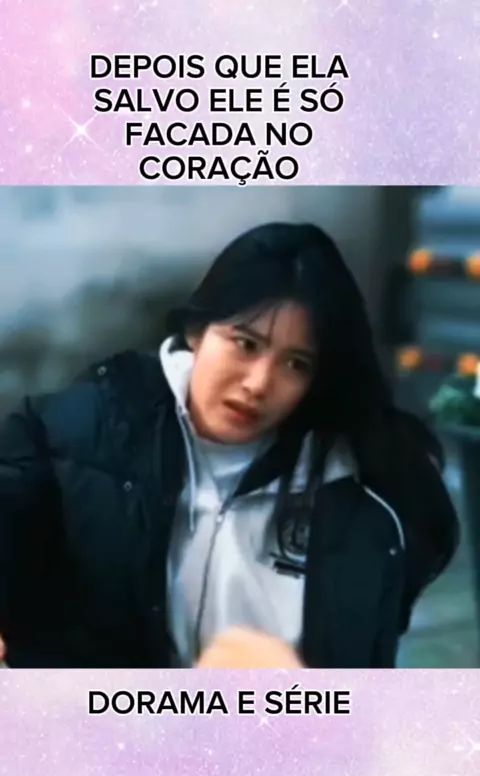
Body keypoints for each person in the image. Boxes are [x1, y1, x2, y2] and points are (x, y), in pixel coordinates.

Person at [0, 222, 459, 668]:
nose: (259, 383)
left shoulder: (359, 488)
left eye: (296, 364)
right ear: (197, 332)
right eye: (246, 343)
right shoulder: (95, 427)